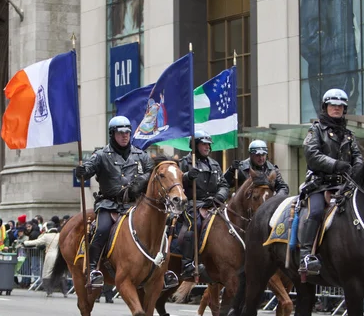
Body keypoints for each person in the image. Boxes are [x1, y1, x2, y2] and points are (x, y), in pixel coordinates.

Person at [75, 115, 177, 290]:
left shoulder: (141, 155)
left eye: (127, 133)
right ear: (112, 134)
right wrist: (82, 171)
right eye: (120, 133)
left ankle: (164, 271)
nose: (124, 136)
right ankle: (93, 270)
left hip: (135, 205)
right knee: (102, 229)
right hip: (110, 204)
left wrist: (138, 184)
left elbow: (151, 173)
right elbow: (88, 170)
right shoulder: (101, 155)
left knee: (160, 229)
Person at [300, 88, 363, 274]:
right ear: (325, 107)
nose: (336, 109)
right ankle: (306, 256)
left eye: (340, 106)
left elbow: (357, 157)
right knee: (316, 212)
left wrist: (358, 169)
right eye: (333, 105)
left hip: (344, 186)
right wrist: (336, 165)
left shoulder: (349, 135)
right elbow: (311, 155)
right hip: (320, 184)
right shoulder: (316, 129)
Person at [178, 130, 229, 279]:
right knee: (194, 223)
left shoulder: (215, 164)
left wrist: (219, 196)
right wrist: (187, 177)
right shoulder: (185, 162)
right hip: (192, 204)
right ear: (194, 146)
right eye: (203, 144)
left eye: (208, 145)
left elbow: (224, 184)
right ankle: (187, 264)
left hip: (214, 203)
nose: (207, 147)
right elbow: (175, 183)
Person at [223, 140, 289, 196]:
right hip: (244, 207)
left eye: (263, 155)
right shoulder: (240, 168)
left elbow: (283, 187)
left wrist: (276, 198)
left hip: (266, 205)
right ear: (250, 154)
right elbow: (223, 184)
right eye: (257, 155)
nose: (261, 158)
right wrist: (231, 171)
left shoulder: (273, 170)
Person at [23, 221, 67, 297]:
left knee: (47, 274)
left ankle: (49, 291)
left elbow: (37, 242)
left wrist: (25, 243)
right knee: (60, 274)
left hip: (50, 256)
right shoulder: (60, 235)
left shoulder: (46, 236)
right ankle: (64, 292)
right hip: (59, 256)